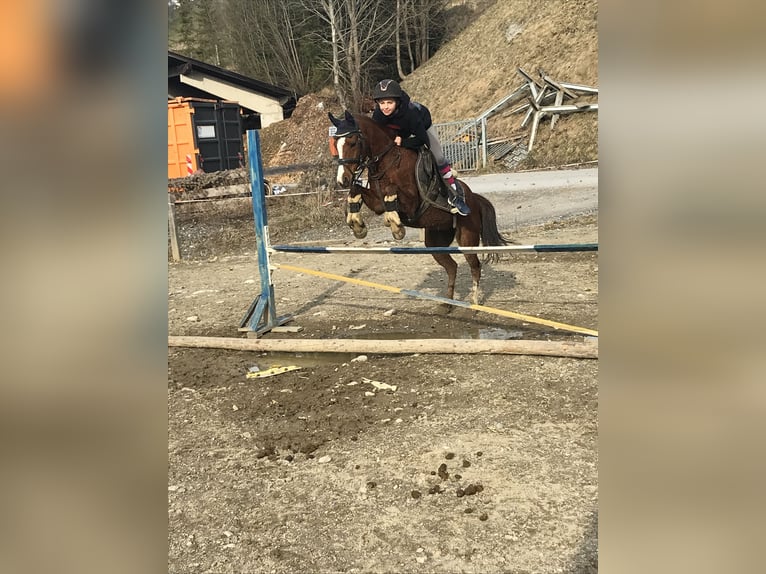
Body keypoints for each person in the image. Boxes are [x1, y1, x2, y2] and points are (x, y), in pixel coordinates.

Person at [370, 79, 470, 216]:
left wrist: (403, 142)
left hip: (422, 127)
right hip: (400, 130)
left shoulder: (411, 113)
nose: (385, 107)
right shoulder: (378, 115)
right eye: (382, 103)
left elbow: (422, 139)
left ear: (397, 102)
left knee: (438, 156)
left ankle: (455, 194)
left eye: (389, 102)